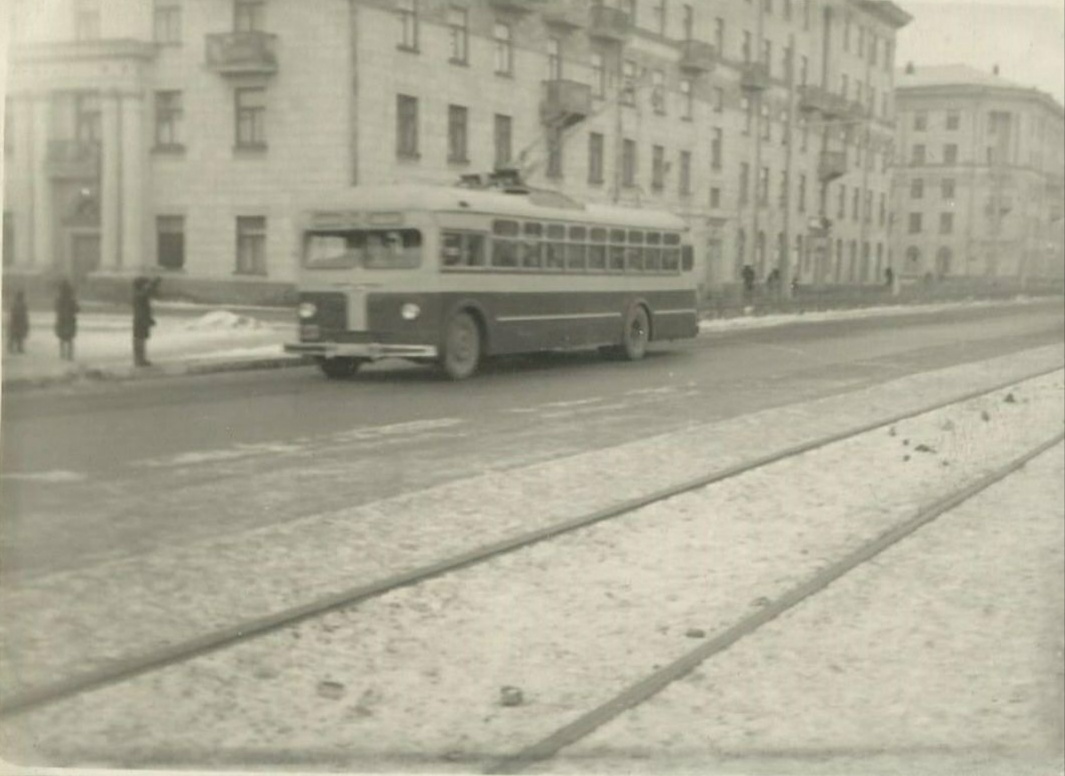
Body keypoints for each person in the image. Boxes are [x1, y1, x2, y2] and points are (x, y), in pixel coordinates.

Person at [132, 276, 160, 367]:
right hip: (140, 320)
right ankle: (139, 360)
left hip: (141, 320)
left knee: (141, 339)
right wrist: (146, 320)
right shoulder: (139, 295)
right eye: (145, 284)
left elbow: (150, 292)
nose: (147, 286)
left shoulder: (139, 294)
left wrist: (153, 284)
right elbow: (141, 310)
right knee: (139, 339)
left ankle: (140, 359)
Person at [55, 280, 79, 361]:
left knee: (62, 338)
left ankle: (62, 354)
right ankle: (69, 354)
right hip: (69, 320)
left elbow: (56, 308)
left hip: (62, 319)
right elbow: (77, 309)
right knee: (69, 338)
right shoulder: (71, 300)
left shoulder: (60, 299)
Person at [6, 289, 29, 354]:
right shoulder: (22, 304)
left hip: (15, 322)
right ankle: (17, 347)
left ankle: (13, 347)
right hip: (18, 322)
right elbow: (24, 314)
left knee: (15, 335)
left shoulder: (15, 304)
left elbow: (12, 313)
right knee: (18, 335)